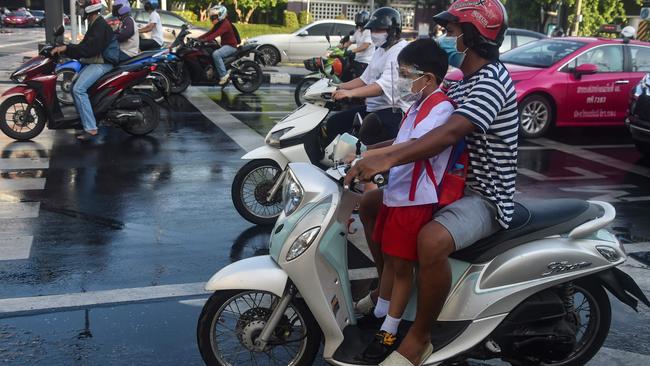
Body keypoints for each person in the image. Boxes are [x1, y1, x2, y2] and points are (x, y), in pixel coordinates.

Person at [347, 1, 518, 365]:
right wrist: (364, 152)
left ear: (473, 36)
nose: (447, 38)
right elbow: (420, 133)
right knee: (372, 205)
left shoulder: (492, 83)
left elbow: (447, 136)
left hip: (484, 196)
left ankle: (420, 336)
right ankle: (387, 288)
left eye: (453, 31)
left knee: (431, 240)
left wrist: (385, 160)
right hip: (450, 187)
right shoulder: (462, 84)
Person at [358, 38, 454, 363]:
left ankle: (390, 330)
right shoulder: (417, 105)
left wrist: (371, 161)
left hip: (415, 201)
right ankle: (381, 312)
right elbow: (398, 142)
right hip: (397, 195)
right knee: (388, 255)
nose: (401, 80)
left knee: (401, 268)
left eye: (405, 73)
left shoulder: (441, 109)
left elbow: (410, 149)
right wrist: (362, 152)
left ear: (427, 77)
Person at [327, 7, 410, 146]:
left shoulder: (400, 52)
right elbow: (363, 79)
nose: (374, 34)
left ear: (393, 30)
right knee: (334, 123)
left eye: (378, 30)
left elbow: (380, 88)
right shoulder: (381, 50)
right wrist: (336, 86)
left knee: (356, 140)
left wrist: (349, 93)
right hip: (374, 108)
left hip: (392, 111)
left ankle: (349, 164)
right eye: (372, 30)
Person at [51, 0, 116, 141]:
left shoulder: (99, 26)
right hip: (95, 61)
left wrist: (67, 48)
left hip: (103, 63)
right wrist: (66, 48)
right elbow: (84, 47)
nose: (80, 10)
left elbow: (89, 49)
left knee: (78, 89)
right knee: (74, 86)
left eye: (82, 7)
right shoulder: (95, 24)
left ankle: (91, 128)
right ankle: (84, 121)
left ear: (89, 10)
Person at [197, 5, 238, 85]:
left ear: (221, 15)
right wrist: (197, 39)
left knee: (216, 54)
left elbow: (215, 34)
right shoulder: (219, 23)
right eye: (212, 17)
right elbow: (210, 33)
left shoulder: (225, 24)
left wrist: (204, 40)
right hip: (225, 45)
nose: (212, 18)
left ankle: (223, 75)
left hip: (231, 46)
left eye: (214, 17)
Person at [342, 10, 374, 77]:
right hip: (357, 59)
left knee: (359, 78)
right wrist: (340, 47)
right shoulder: (358, 31)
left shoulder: (369, 32)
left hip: (366, 62)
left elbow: (365, 45)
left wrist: (351, 51)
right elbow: (350, 42)